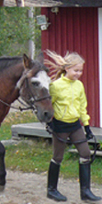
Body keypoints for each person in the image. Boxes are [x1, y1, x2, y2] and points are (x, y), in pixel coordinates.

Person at [44, 50, 101, 202]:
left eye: (81, 71)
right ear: (67, 69)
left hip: (75, 125)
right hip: (60, 126)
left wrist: (87, 126)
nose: (78, 73)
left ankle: (86, 192)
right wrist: (49, 123)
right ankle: (51, 190)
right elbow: (49, 106)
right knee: (58, 157)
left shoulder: (79, 86)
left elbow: (82, 106)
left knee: (85, 153)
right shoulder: (55, 86)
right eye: (76, 70)